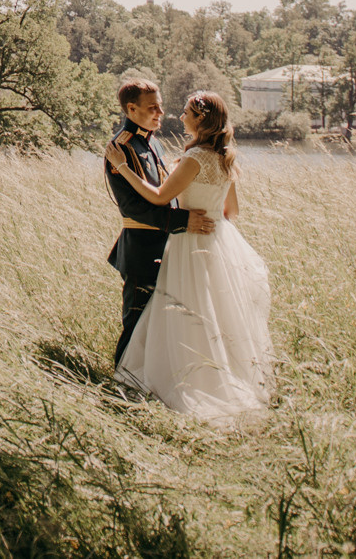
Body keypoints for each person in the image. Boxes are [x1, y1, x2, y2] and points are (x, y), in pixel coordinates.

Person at [112, 90, 275, 420]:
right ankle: (224, 378)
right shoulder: (224, 157)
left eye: (186, 111)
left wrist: (123, 169)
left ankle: (188, 382)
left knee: (188, 311)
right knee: (217, 314)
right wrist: (207, 205)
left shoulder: (195, 157)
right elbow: (232, 210)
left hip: (190, 244)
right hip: (219, 241)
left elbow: (159, 197)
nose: (180, 116)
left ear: (200, 119)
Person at [101, 77, 212, 372]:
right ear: (131, 109)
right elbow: (133, 208)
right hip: (141, 249)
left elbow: (165, 191)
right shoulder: (120, 148)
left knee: (165, 323)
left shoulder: (156, 144)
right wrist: (183, 220)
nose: (161, 113)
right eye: (153, 108)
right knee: (136, 323)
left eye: (160, 107)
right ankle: (121, 384)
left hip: (170, 245)